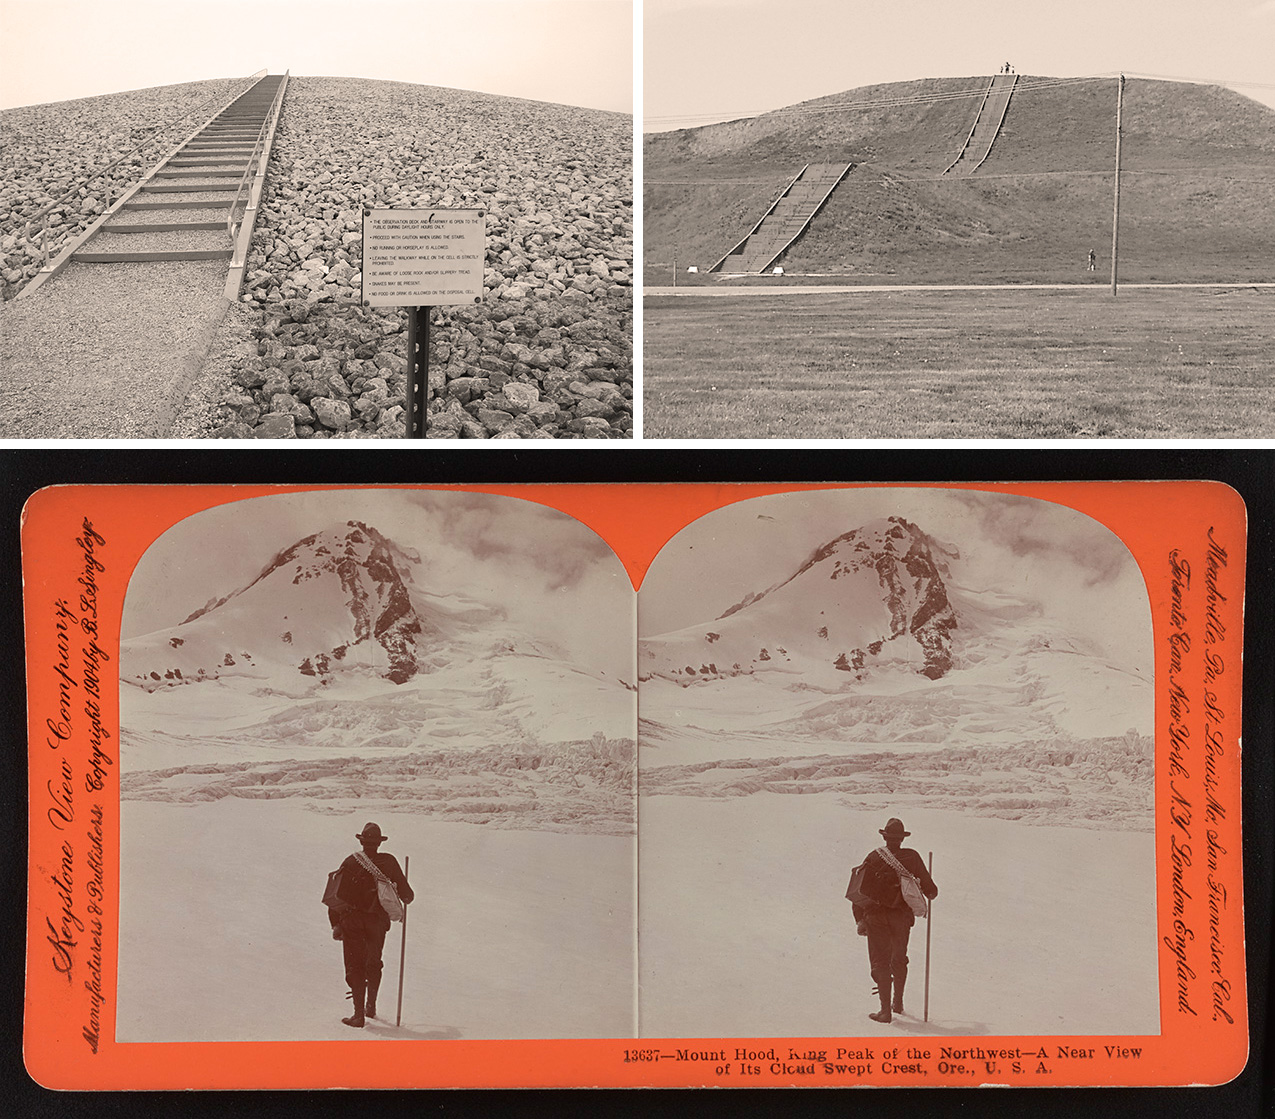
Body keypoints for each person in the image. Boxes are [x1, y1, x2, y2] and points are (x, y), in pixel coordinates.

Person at [851, 818, 938, 1023]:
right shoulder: (913, 857)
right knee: (899, 959)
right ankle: (897, 1003)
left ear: (885, 837)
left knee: (880, 961)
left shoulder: (873, 857)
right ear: (901, 838)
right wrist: (929, 893)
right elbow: (931, 891)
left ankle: (885, 1012)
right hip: (901, 918)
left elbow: (858, 891)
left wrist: (859, 920)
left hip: (876, 918)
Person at [329, 822, 413, 1028]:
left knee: (355, 964)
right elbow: (408, 896)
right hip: (377, 922)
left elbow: (335, 895)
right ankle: (371, 1007)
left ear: (362, 841)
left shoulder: (350, 862)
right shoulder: (390, 862)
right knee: (373, 962)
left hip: (352, 922)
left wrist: (335, 924)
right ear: (378, 843)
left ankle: (358, 1015)